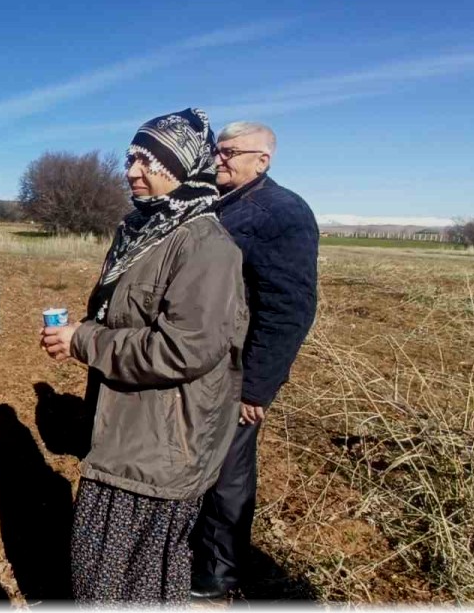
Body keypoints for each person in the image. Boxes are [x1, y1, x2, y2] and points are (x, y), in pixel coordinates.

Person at [40, 108, 247, 604]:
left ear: (184, 167)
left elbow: (184, 347)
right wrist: (82, 331)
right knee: (101, 574)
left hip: (160, 447)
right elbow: (123, 317)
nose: (132, 170)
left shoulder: (205, 245)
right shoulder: (145, 231)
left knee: (130, 582)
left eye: (149, 161)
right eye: (130, 158)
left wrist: (84, 342)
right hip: (123, 433)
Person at [190, 122, 319, 600]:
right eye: (217, 151)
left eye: (231, 152)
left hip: (238, 371)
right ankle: (192, 552)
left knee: (228, 473)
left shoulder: (281, 213)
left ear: (263, 160)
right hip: (206, 364)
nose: (219, 159)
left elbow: (289, 307)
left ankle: (217, 576)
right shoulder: (219, 203)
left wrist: (256, 388)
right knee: (199, 461)